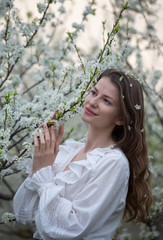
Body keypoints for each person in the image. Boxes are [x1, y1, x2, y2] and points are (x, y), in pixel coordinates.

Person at [13, 69, 152, 240]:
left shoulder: (113, 162)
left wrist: (43, 173)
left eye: (106, 101)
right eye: (94, 92)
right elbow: (22, 213)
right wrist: (42, 163)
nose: (93, 102)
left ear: (121, 119)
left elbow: (72, 228)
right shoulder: (68, 151)